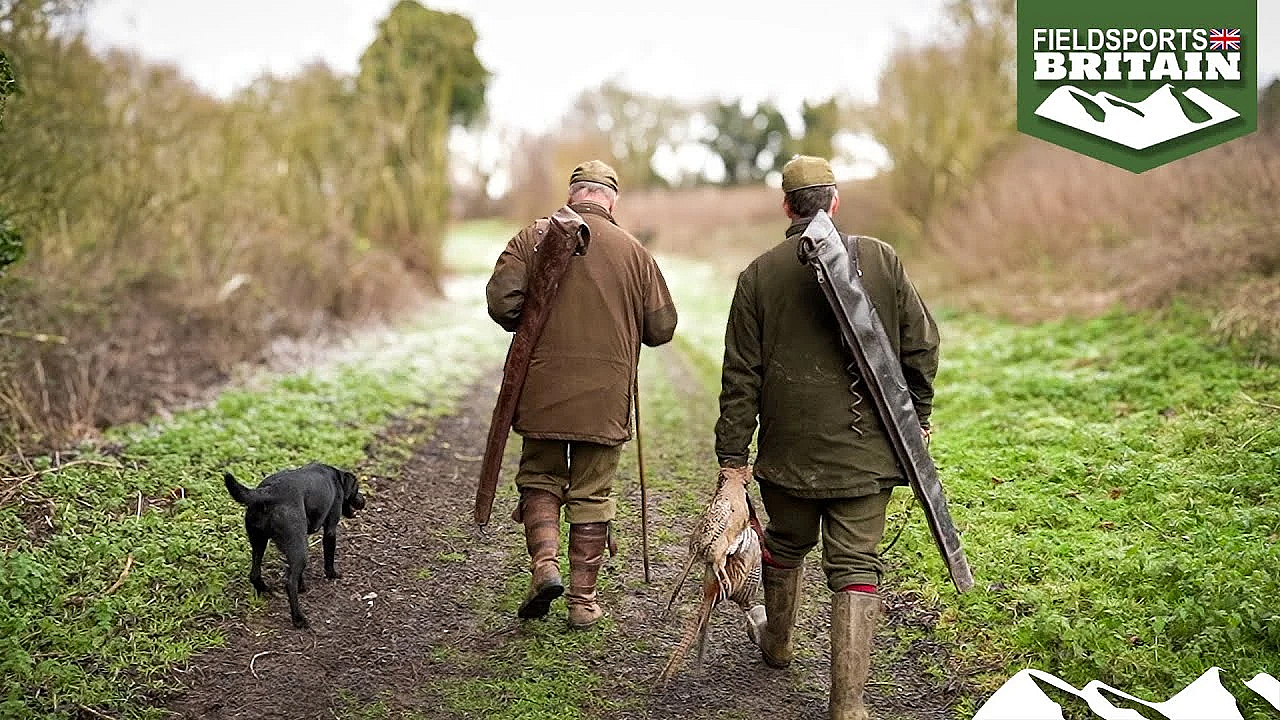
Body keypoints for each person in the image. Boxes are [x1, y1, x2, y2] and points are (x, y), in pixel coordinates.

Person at [715, 156, 939, 719]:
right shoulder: (882, 260)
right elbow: (922, 345)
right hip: (870, 457)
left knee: (785, 547)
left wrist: (733, 462)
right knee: (856, 566)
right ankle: (849, 706)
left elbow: (740, 378)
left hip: (787, 459)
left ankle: (779, 643)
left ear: (786, 207)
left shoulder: (759, 275)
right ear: (834, 203)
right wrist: (920, 416)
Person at [486, 160, 678, 629]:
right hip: (606, 398)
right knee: (593, 492)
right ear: (611, 200)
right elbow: (662, 327)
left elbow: (501, 301)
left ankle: (544, 564)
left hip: (543, 390)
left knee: (540, 477)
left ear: (574, 194)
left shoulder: (532, 238)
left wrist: (534, 318)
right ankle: (583, 601)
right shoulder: (636, 253)